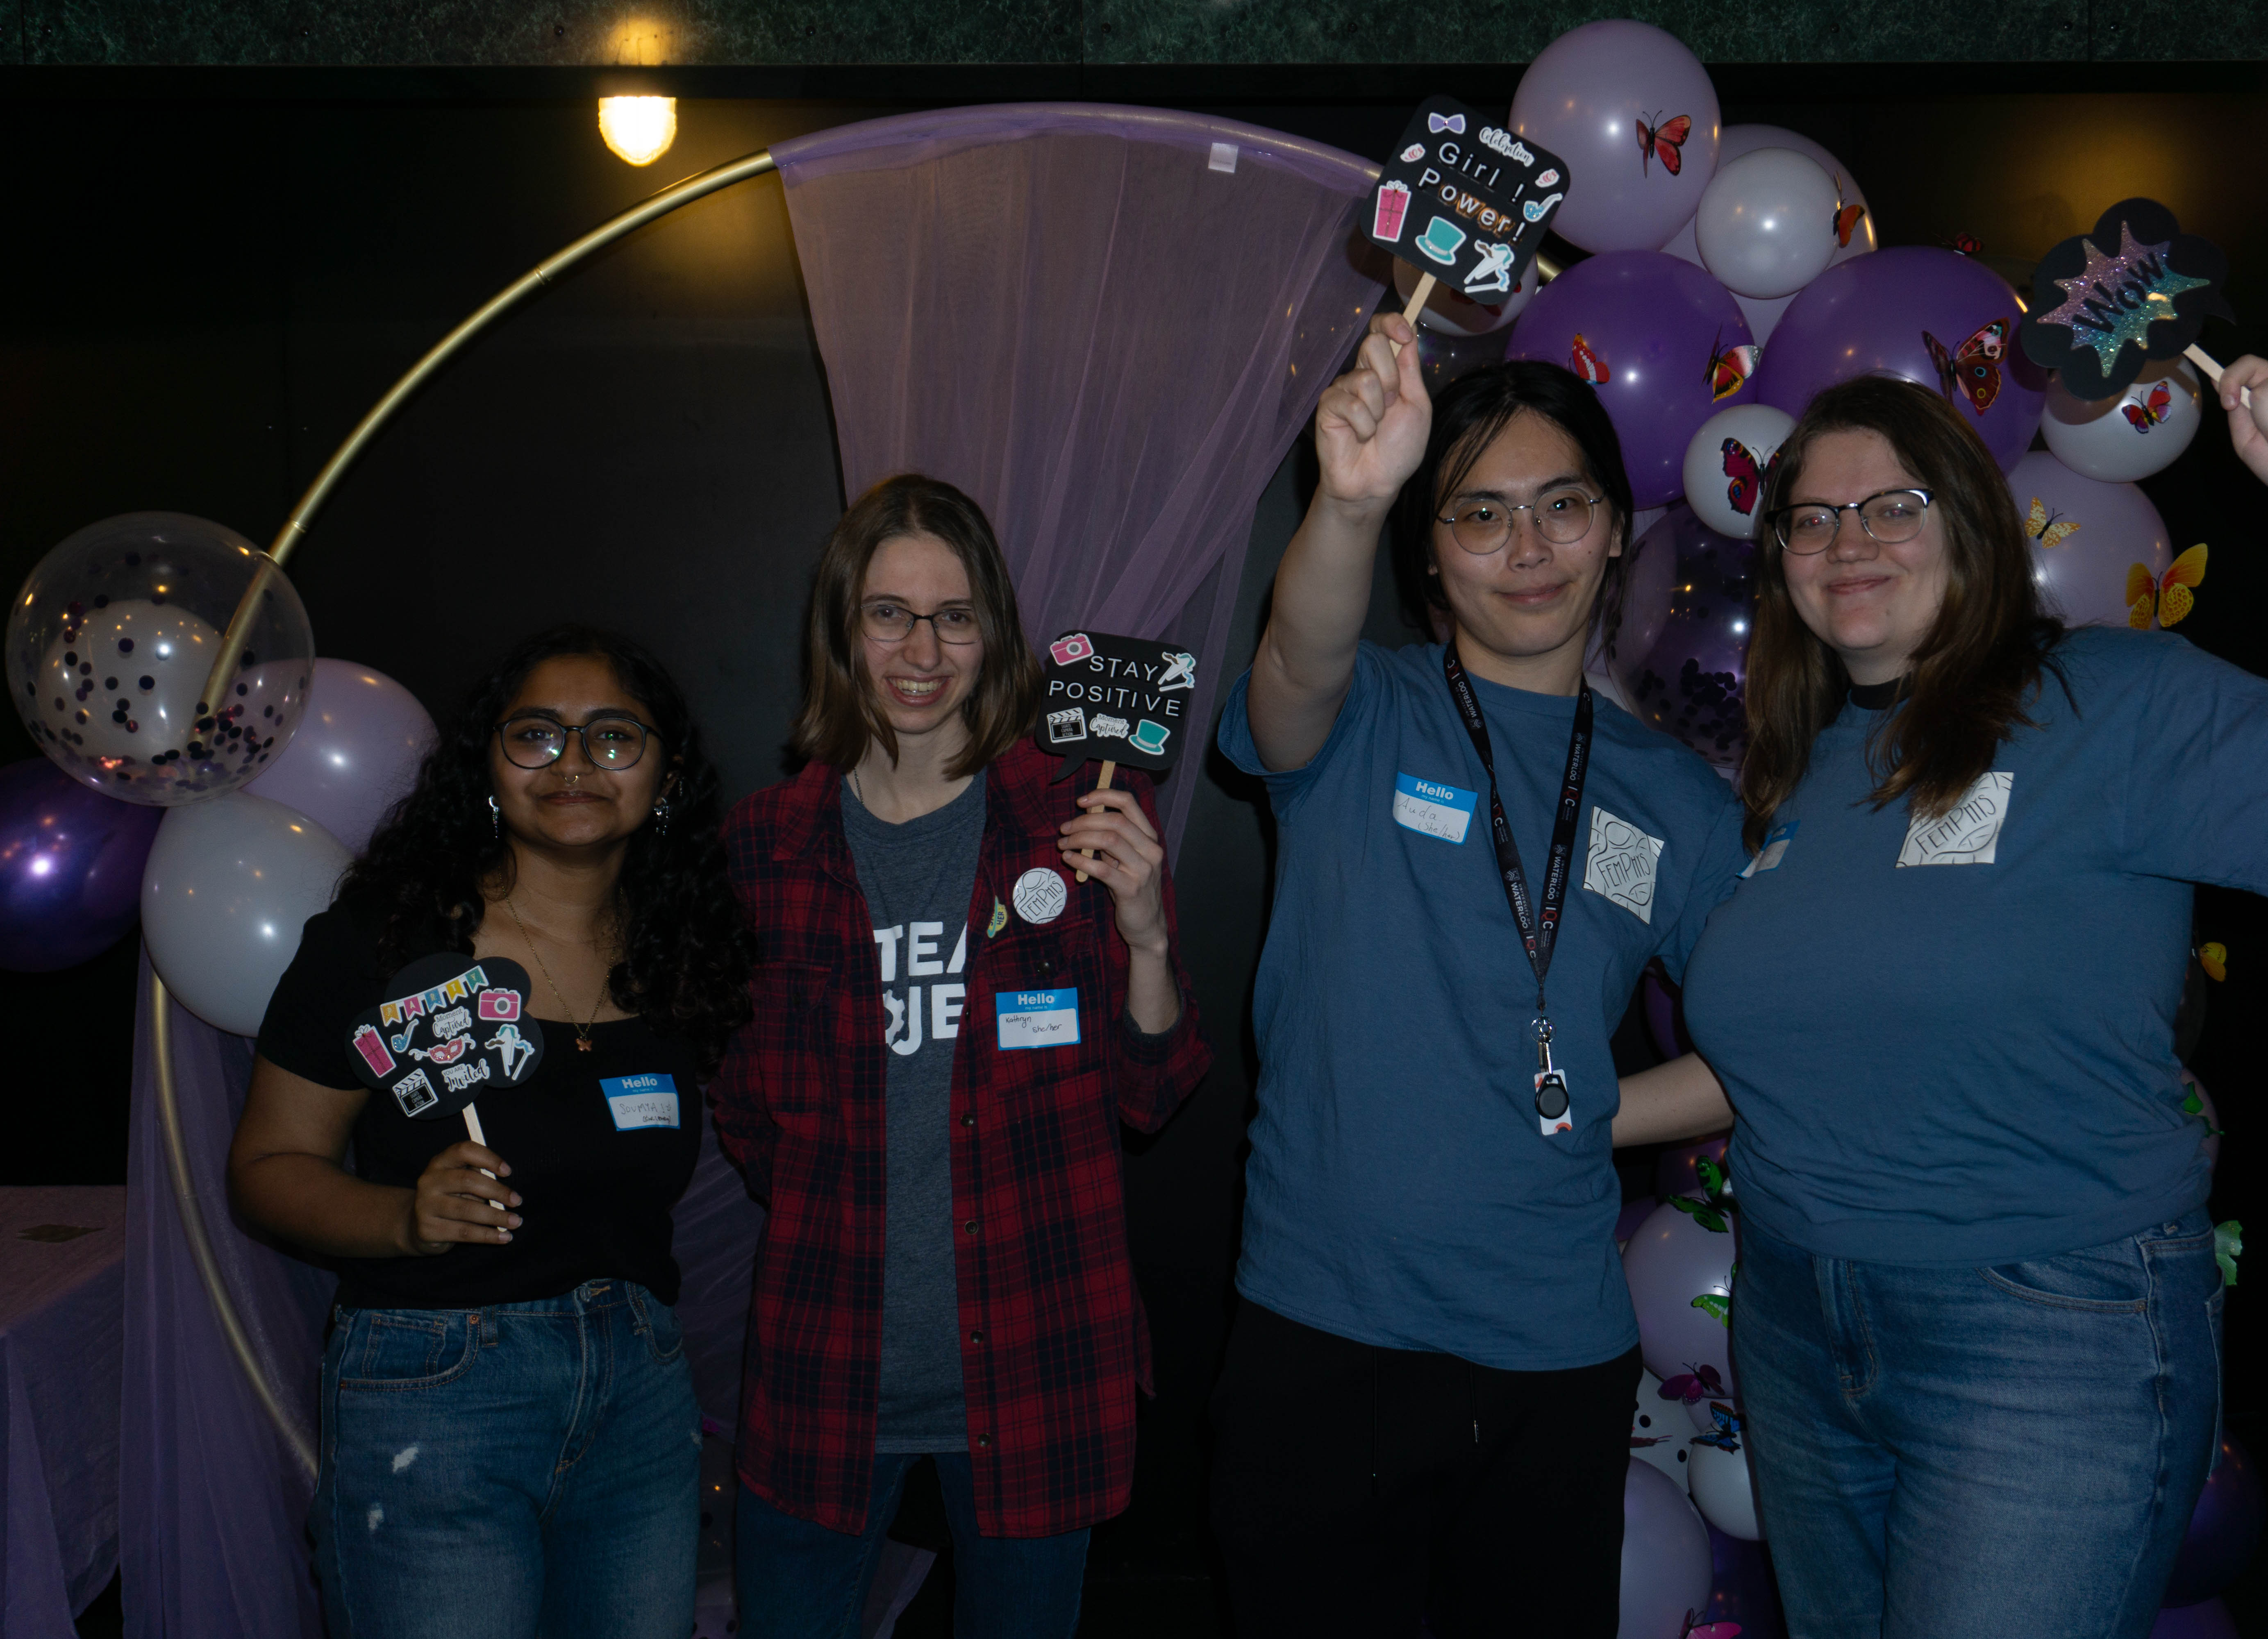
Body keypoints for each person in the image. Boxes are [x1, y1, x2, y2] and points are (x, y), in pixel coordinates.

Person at [1629, 362, 2268, 1637]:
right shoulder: (1800, 768)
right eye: (1812, 516)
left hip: (2045, 1333)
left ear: (1970, 525)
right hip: (1797, 1322)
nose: (1848, 541)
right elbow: (1791, 1057)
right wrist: (1561, 1118)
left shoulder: (2109, 695)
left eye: (1893, 506)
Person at [1209, 311, 1745, 1636]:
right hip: (1323, 1337)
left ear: (1618, 528)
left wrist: (1609, 1112)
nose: (1528, 551)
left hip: (1554, 1355)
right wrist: (1349, 499)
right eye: (1479, 516)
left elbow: (1772, 1052)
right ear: (1430, 559)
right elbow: (1291, 666)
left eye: (1564, 506)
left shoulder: (1678, 800)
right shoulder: (1364, 712)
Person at [713, 474, 1212, 1639]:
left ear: (995, 634)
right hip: (824, 1376)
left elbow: (1151, 1095)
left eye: (953, 615)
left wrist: (1143, 937)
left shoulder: (1081, 820)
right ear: (843, 631)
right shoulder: (766, 847)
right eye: (889, 613)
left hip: (1042, 1364)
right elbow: (744, 1111)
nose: (922, 649)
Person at [230, 625, 755, 1639]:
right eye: (535, 735)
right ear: (487, 764)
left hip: (640, 1392)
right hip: (436, 1393)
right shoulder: (385, 944)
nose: (571, 763)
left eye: (613, 737)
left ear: (668, 774)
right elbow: (264, 1167)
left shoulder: (681, 949)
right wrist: (403, 1217)